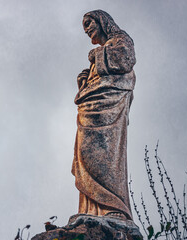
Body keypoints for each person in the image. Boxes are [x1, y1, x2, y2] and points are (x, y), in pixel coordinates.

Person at [72, 10, 136, 220]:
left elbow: (126, 61)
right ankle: (91, 211)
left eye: (89, 23)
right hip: (91, 107)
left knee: (106, 157)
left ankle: (114, 209)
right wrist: (85, 79)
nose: (87, 29)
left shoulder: (120, 39)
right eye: (84, 27)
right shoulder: (104, 49)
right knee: (84, 153)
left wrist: (98, 56)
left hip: (109, 109)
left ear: (102, 21)